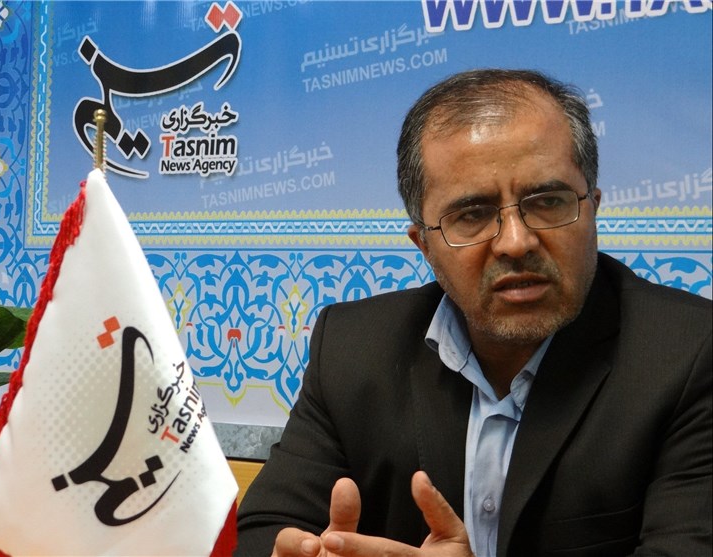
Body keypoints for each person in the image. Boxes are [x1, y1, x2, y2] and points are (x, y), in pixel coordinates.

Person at [234, 69, 712, 556]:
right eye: (472, 214)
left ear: (593, 208)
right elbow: (262, 532)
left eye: (548, 202)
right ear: (424, 245)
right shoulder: (353, 349)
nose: (516, 242)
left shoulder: (690, 356)